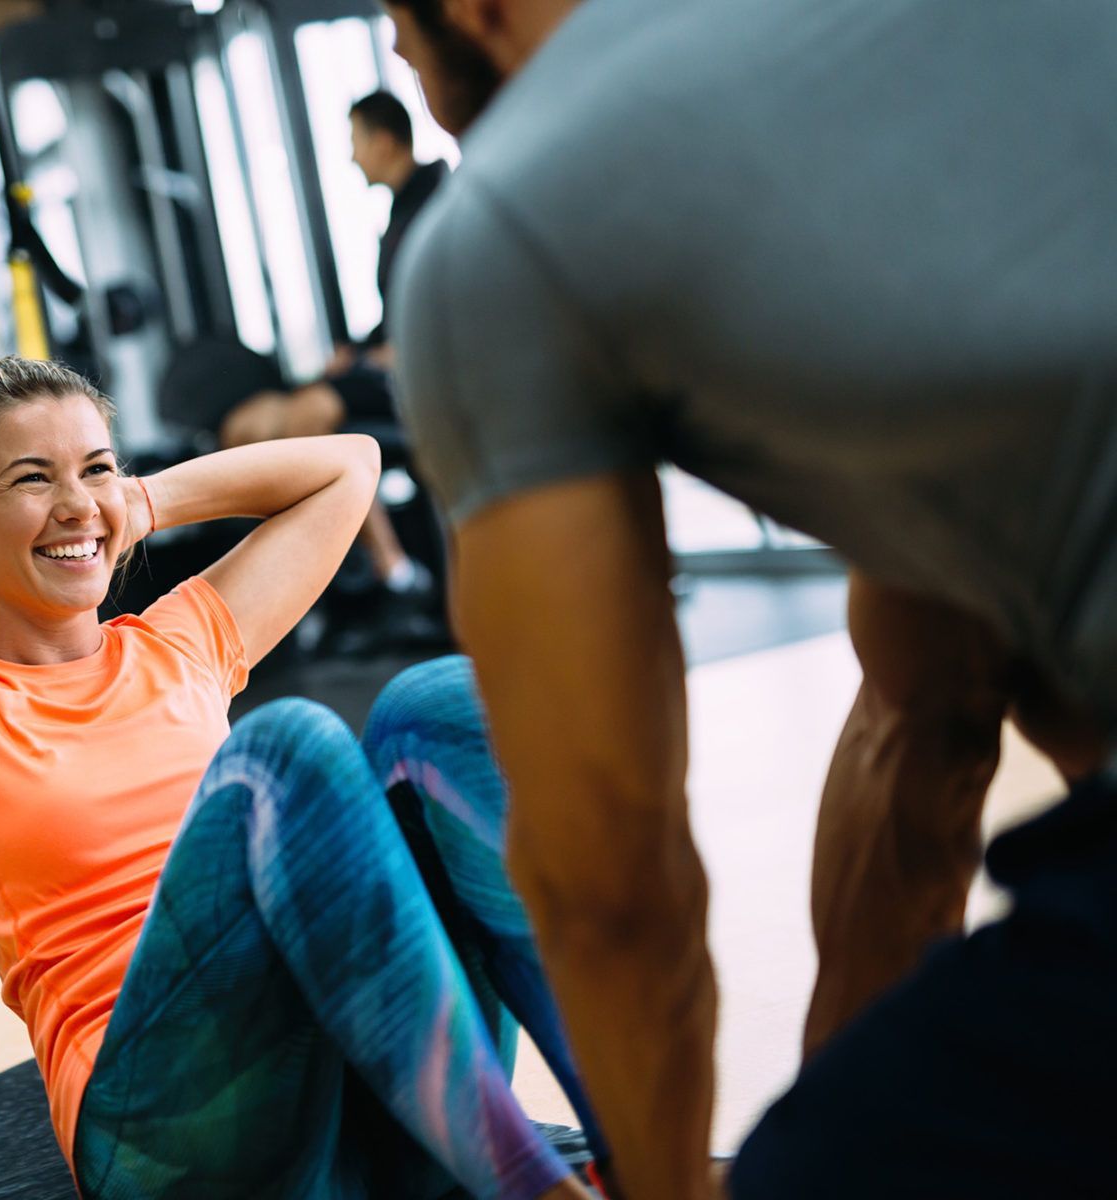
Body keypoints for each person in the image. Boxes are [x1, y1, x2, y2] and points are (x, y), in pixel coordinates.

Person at [379, 0, 1116, 1196]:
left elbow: (610, 887)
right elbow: (925, 715)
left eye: (392, 15)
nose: (397, 58)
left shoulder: (505, 229)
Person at [0, 356, 607, 1199]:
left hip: (349, 1100)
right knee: (287, 753)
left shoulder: (184, 642)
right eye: (32, 480)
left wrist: (136, 502)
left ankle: (625, 1140)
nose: (76, 505)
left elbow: (348, 463)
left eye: (95, 467)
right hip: (165, 1135)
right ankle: (532, 1188)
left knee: (438, 704)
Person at [218, 92, 450, 631]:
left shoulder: (435, 198)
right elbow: (397, 310)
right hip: (384, 364)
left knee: (302, 422)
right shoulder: (402, 207)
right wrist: (360, 347)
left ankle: (392, 568)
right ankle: (311, 583)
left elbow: (444, 302)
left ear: (384, 140)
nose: (351, 157)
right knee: (244, 427)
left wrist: (389, 350)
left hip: (414, 378)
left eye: (355, 142)